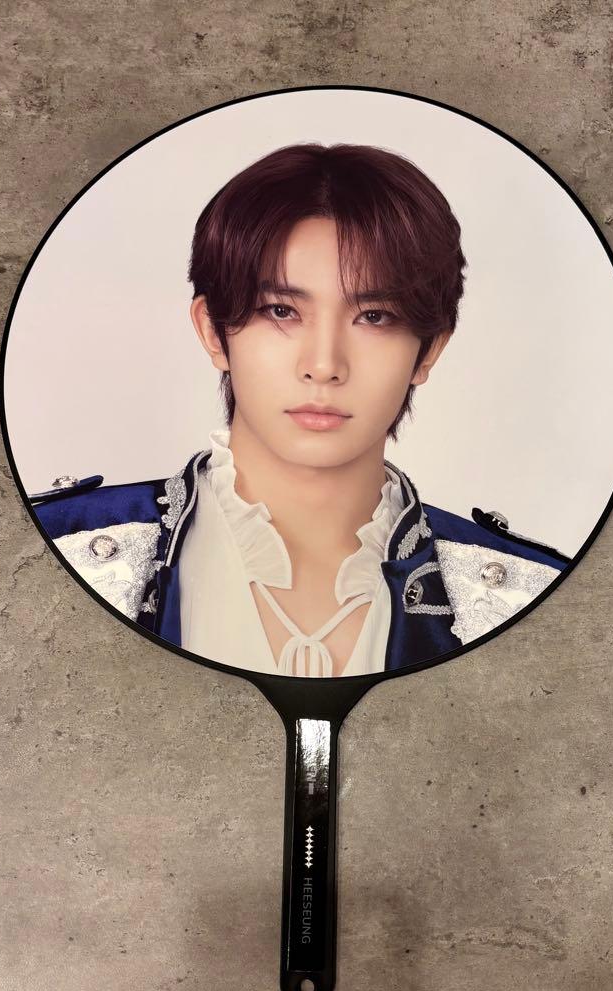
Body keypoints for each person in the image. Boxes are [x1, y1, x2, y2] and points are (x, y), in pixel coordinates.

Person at [30, 143, 568, 677]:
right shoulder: (55, 549)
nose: (324, 365)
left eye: (375, 316)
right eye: (281, 310)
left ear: (428, 351)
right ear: (213, 332)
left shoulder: (530, 595)